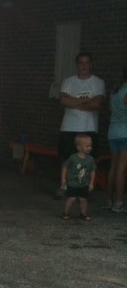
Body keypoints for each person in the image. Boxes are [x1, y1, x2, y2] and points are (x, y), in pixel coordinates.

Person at [57, 51, 105, 196]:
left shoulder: (98, 82)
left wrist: (74, 101)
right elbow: (63, 100)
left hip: (88, 127)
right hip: (69, 126)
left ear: (91, 64)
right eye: (81, 62)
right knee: (67, 158)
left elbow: (96, 103)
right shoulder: (68, 81)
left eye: (86, 62)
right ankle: (64, 186)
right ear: (77, 65)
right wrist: (85, 101)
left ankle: (83, 189)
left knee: (87, 160)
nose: (84, 65)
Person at [105, 63, 127, 213]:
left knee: (113, 166)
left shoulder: (115, 90)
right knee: (122, 167)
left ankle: (108, 200)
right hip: (125, 132)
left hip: (112, 131)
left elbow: (110, 110)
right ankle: (119, 202)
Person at [61, 133, 96, 221]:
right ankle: (66, 212)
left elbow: (92, 171)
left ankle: (83, 214)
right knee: (71, 199)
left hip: (84, 184)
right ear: (79, 147)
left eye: (90, 146)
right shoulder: (73, 158)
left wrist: (91, 183)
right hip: (73, 183)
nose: (90, 148)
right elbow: (65, 166)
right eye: (87, 146)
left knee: (83, 199)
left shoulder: (90, 159)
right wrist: (63, 178)